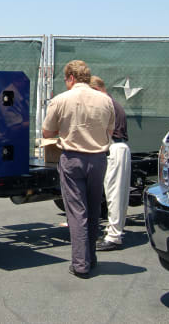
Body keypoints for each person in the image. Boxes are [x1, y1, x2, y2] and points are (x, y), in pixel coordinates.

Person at [42, 60, 115, 278]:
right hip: (98, 159)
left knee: (76, 212)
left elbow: (47, 132)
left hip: (72, 158)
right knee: (93, 209)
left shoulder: (61, 100)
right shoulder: (105, 100)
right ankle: (90, 257)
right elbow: (110, 130)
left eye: (66, 79)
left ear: (71, 78)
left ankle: (80, 264)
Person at [90, 75, 131, 251]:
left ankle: (114, 237)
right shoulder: (111, 103)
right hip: (117, 147)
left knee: (115, 196)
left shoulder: (105, 103)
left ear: (96, 90)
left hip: (114, 147)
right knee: (117, 195)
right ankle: (114, 232)